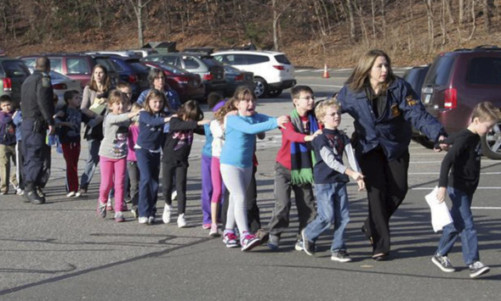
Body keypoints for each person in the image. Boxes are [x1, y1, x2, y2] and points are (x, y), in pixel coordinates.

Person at [336, 49, 447, 260]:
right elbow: (329, 109)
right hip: (367, 147)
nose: (384, 70)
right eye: (379, 66)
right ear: (367, 69)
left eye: (386, 65)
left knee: (399, 189)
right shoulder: (351, 91)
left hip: (395, 145)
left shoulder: (399, 87)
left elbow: (418, 114)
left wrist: (438, 135)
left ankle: (371, 225)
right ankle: (380, 245)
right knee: (376, 195)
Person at [431, 102, 498, 279]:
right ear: (476, 121)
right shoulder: (466, 138)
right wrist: (442, 186)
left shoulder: (472, 135)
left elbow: (453, 138)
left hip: (468, 187)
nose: (490, 130)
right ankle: (473, 262)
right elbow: (447, 162)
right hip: (457, 187)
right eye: (488, 126)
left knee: (456, 223)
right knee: (468, 225)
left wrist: (442, 143)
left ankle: (440, 254)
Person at [219, 86, 288, 251]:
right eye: (245, 101)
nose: (250, 104)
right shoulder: (234, 119)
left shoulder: (255, 116)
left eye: (252, 100)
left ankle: (228, 231)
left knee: (236, 199)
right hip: (229, 164)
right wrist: (275, 122)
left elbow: (268, 120)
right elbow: (251, 129)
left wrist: (283, 119)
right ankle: (245, 235)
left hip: (247, 164)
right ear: (237, 104)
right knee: (240, 196)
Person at [300, 98, 365, 262]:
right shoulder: (320, 138)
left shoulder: (342, 136)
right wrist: (351, 172)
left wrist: (358, 175)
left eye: (338, 113)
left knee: (343, 217)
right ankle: (308, 234)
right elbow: (330, 160)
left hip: (340, 180)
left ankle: (338, 249)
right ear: (322, 118)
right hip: (324, 181)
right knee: (327, 216)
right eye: (332, 114)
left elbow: (350, 155)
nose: (337, 116)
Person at [266, 85, 321, 251]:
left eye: (312, 97)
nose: (311, 101)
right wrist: (309, 137)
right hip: (285, 167)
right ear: (296, 101)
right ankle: (275, 233)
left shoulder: (316, 119)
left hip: (304, 169)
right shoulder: (287, 120)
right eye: (307, 98)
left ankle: (304, 236)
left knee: (307, 204)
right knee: (282, 204)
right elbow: (290, 135)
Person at [162, 100, 210, 228]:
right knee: (166, 187)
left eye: (192, 119)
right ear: (183, 112)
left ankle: (181, 215)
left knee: (181, 188)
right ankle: (167, 205)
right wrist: (197, 123)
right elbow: (178, 126)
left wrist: (214, 126)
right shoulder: (175, 120)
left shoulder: (192, 125)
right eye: (188, 117)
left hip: (182, 161)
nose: (190, 121)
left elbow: (202, 130)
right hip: (168, 159)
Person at [97, 90, 139, 222]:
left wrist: (144, 114)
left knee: (120, 183)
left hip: (121, 155)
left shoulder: (127, 117)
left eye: (123, 103)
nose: (120, 106)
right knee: (106, 183)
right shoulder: (110, 117)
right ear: (110, 105)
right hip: (106, 155)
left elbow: (138, 119)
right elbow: (119, 118)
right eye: (117, 104)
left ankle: (119, 210)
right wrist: (133, 113)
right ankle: (103, 201)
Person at [20, 56, 55, 204]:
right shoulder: (43, 79)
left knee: (28, 156)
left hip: (26, 122)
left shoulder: (27, 80)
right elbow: (44, 101)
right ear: (48, 67)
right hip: (36, 123)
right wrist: (50, 121)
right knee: (36, 156)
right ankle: (30, 188)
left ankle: (26, 187)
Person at [136, 89, 172, 225]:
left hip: (155, 151)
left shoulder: (164, 114)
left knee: (154, 182)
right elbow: (153, 122)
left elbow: (177, 115)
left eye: (160, 102)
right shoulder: (144, 114)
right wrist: (168, 118)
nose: (157, 104)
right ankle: (143, 212)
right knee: (145, 178)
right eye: (155, 102)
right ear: (148, 102)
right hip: (142, 150)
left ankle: (152, 211)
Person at [80, 64, 112, 195]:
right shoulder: (89, 89)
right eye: (96, 73)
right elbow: (83, 108)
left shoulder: (111, 90)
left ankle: (109, 186)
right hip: (93, 126)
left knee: (108, 158)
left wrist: (103, 117)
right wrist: (95, 116)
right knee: (93, 157)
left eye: (101, 72)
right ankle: (84, 184)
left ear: (105, 74)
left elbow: (114, 107)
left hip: (107, 127)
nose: (98, 75)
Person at [200, 93, 225, 233]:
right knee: (208, 189)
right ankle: (208, 218)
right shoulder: (211, 124)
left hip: (225, 158)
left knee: (223, 189)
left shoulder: (230, 121)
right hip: (210, 157)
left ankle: (220, 215)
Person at [54, 90, 82, 197]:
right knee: (70, 164)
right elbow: (55, 121)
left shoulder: (79, 111)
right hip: (66, 140)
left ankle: (75, 188)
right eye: (76, 98)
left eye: (79, 98)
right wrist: (66, 123)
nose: (79, 100)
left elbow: (89, 119)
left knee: (75, 163)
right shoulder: (64, 111)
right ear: (69, 100)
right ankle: (71, 188)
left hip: (76, 140)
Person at [0, 95, 18, 194]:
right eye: (4, 105)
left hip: (14, 142)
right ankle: (4, 187)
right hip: (3, 144)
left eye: (9, 105)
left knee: (19, 164)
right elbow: (5, 121)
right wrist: (14, 116)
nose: (7, 107)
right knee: (4, 165)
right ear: (1, 107)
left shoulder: (14, 113)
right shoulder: (2, 115)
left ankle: (15, 179)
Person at [127, 103, 142, 219]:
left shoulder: (145, 127)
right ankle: (135, 205)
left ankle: (143, 205)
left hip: (143, 158)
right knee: (134, 184)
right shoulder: (130, 128)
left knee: (144, 183)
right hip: (132, 159)